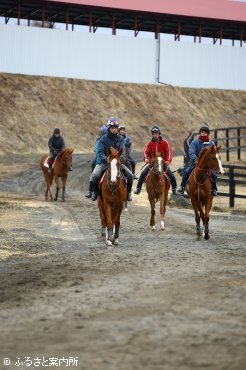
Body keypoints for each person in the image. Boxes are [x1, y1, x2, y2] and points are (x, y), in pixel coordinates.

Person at [85, 119, 135, 202]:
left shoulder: (121, 139)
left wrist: (119, 159)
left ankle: (128, 194)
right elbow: (100, 153)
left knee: (130, 176)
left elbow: (122, 152)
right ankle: (93, 192)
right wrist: (108, 159)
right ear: (109, 128)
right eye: (112, 128)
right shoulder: (103, 139)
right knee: (94, 175)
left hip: (117, 162)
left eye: (115, 128)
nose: (114, 129)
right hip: (105, 162)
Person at [134, 125, 177, 195]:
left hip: (162, 162)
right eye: (153, 134)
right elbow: (145, 152)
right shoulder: (150, 143)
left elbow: (168, 151)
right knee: (143, 173)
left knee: (171, 175)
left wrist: (168, 160)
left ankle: (174, 189)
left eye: (156, 133)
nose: (155, 135)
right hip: (152, 163)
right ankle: (138, 188)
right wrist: (146, 159)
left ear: (159, 134)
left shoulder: (164, 142)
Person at [177, 125, 218, 196]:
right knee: (187, 171)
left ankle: (214, 189)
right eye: (202, 132)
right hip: (195, 162)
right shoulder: (195, 142)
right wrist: (195, 159)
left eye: (205, 132)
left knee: (213, 175)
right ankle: (182, 187)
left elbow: (214, 153)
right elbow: (191, 152)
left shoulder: (211, 143)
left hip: (207, 165)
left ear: (208, 134)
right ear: (200, 133)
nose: (203, 134)